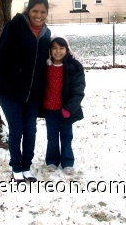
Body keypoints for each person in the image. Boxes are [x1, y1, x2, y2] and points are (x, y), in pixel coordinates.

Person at [0, 0, 51, 182]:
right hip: (10, 90)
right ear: (29, 10)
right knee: (16, 128)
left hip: (32, 93)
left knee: (30, 130)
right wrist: (16, 76)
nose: (39, 15)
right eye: (35, 11)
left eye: (43, 12)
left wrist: (70, 57)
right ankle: (16, 167)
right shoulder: (15, 26)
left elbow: (49, 58)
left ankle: (26, 166)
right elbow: (1, 56)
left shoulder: (46, 33)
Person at [41, 35, 86, 175]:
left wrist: (69, 108)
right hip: (50, 109)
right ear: (49, 50)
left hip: (65, 110)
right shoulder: (45, 66)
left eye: (61, 48)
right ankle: (52, 160)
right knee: (52, 136)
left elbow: (78, 90)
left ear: (67, 49)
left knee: (66, 136)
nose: (58, 51)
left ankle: (67, 161)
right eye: (54, 48)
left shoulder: (73, 67)